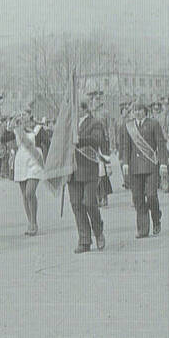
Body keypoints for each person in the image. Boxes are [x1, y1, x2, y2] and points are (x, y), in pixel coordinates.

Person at [119, 100, 168, 238]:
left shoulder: (153, 124)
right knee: (138, 198)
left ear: (145, 111)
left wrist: (163, 163)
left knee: (152, 195)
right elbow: (125, 146)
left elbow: (161, 145)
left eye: (139, 109)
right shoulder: (128, 126)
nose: (137, 112)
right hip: (135, 167)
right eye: (134, 110)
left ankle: (156, 217)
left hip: (151, 165)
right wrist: (125, 163)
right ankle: (143, 229)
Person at [68, 98, 108, 254]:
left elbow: (97, 140)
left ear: (83, 109)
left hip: (88, 169)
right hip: (72, 170)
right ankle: (84, 240)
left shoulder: (94, 123)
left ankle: (98, 232)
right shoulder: (69, 124)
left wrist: (79, 140)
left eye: (76, 108)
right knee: (76, 204)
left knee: (90, 202)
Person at [8, 110, 45, 236]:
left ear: (31, 116)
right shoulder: (17, 130)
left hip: (34, 162)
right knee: (24, 195)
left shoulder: (38, 129)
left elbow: (47, 144)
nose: (23, 117)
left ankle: (34, 221)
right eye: (21, 115)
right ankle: (30, 222)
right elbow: (4, 138)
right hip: (21, 162)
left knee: (30, 192)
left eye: (26, 114)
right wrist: (12, 122)